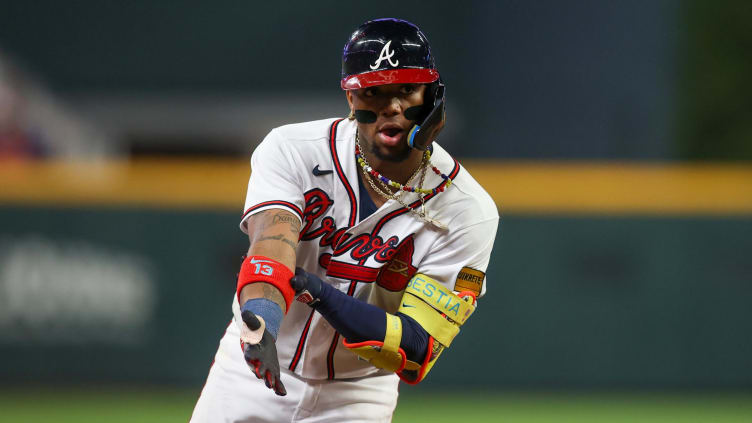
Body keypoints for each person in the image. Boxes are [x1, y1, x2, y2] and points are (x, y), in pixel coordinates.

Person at [191, 18, 499, 423]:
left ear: (432, 97)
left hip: (359, 395)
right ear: (352, 101)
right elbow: (271, 246)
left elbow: (417, 349)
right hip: (251, 371)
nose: (391, 106)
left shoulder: (467, 210)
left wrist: (323, 295)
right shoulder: (293, 150)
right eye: (374, 91)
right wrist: (260, 325)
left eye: (407, 89)